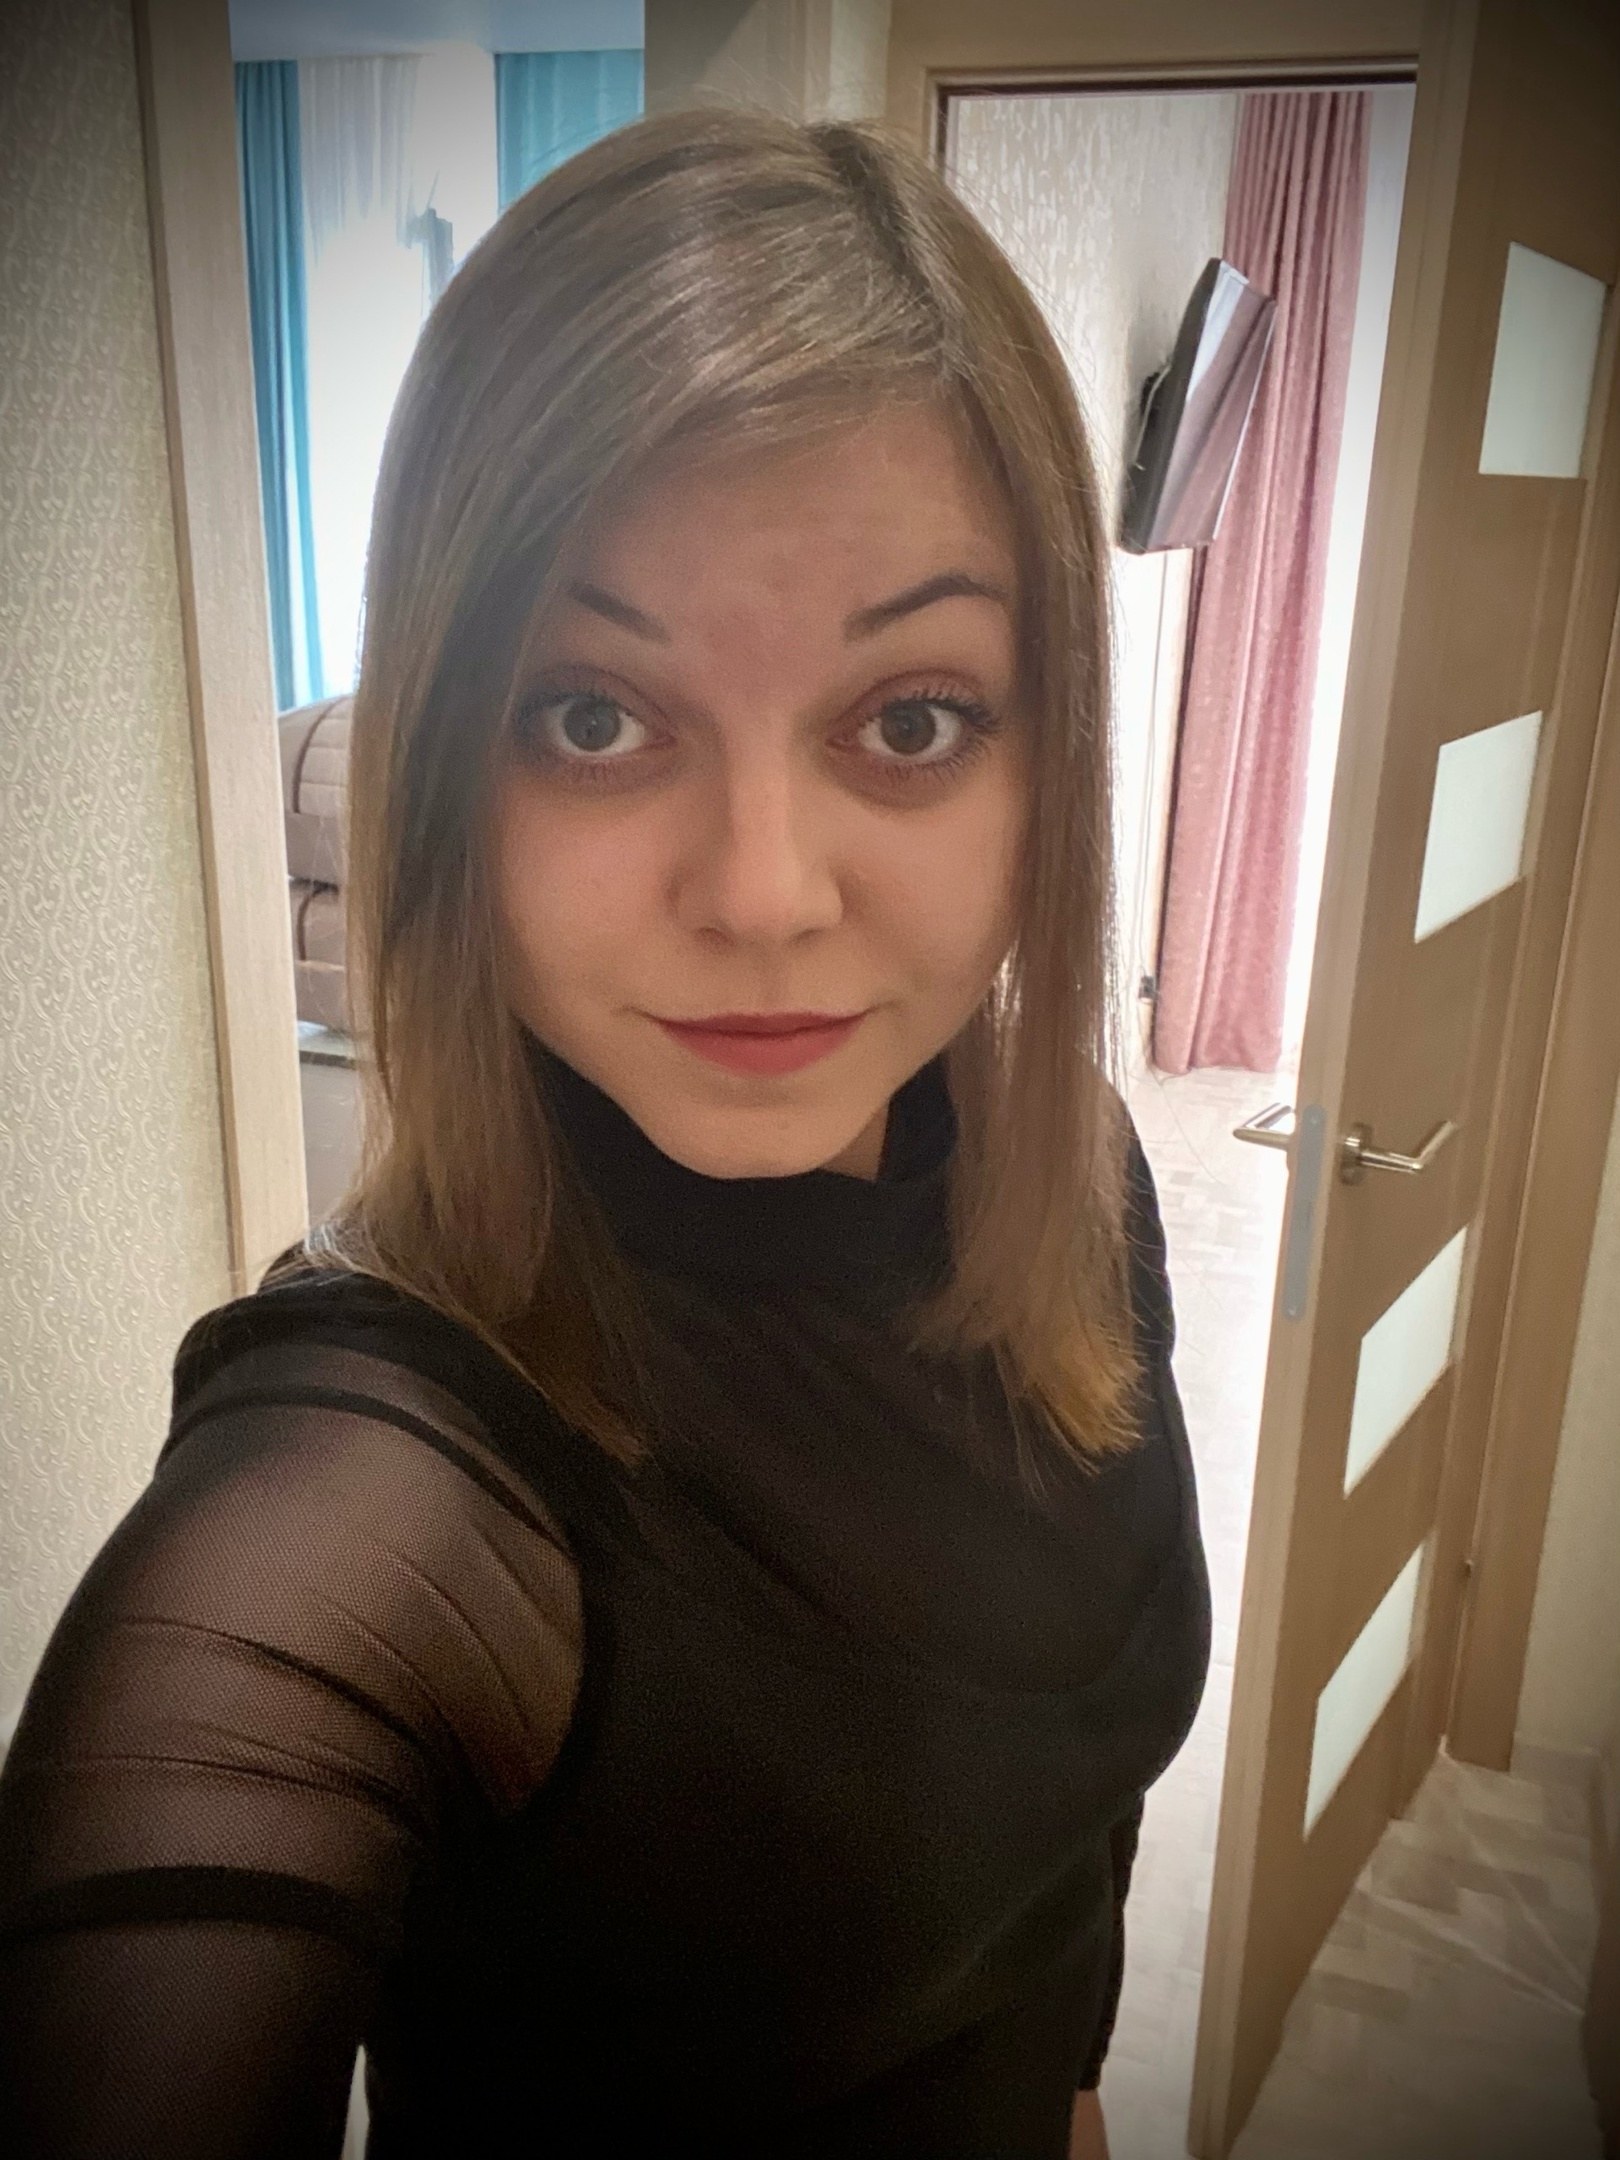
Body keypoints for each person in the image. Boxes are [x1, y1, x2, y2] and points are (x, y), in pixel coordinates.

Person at [0, 107, 1210, 2159]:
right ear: (449, 772)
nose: (763, 893)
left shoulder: (1066, 1163)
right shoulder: (373, 1514)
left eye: (910, 719)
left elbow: (1064, 1855)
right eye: (594, 716)